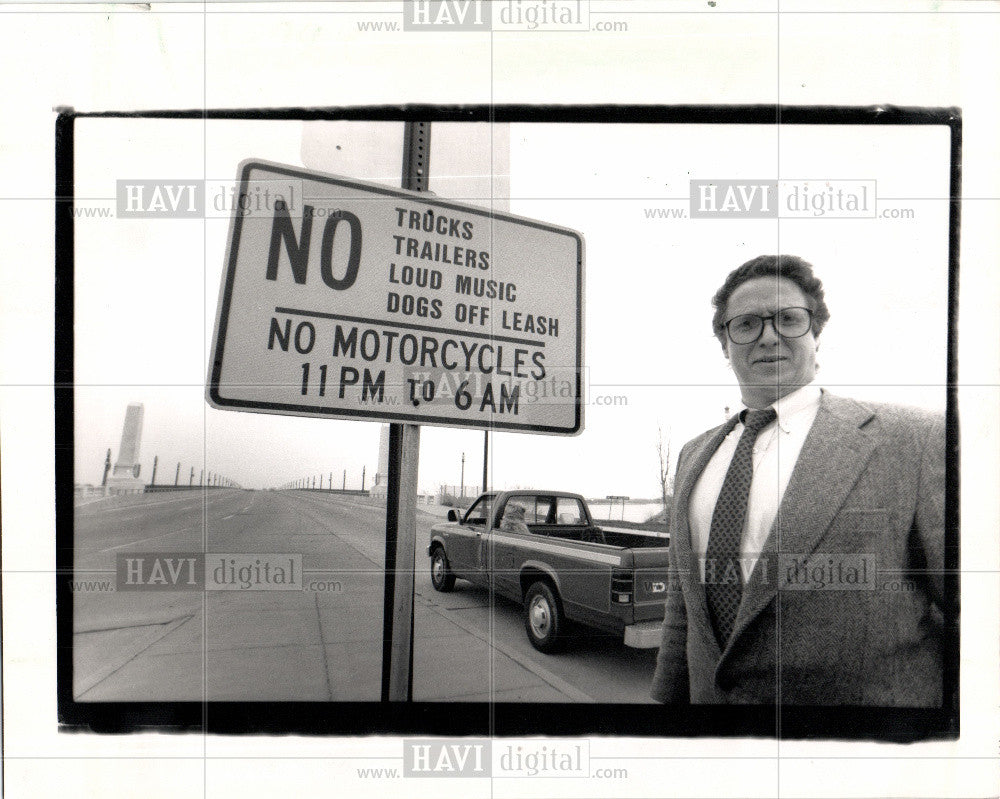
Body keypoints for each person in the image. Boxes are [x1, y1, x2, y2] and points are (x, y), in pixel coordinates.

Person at [651, 254, 946, 707]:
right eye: (747, 324)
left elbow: (975, 610)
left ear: (816, 334)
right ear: (724, 344)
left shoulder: (916, 440)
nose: (769, 336)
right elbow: (682, 611)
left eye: (789, 319)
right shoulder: (694, 454)